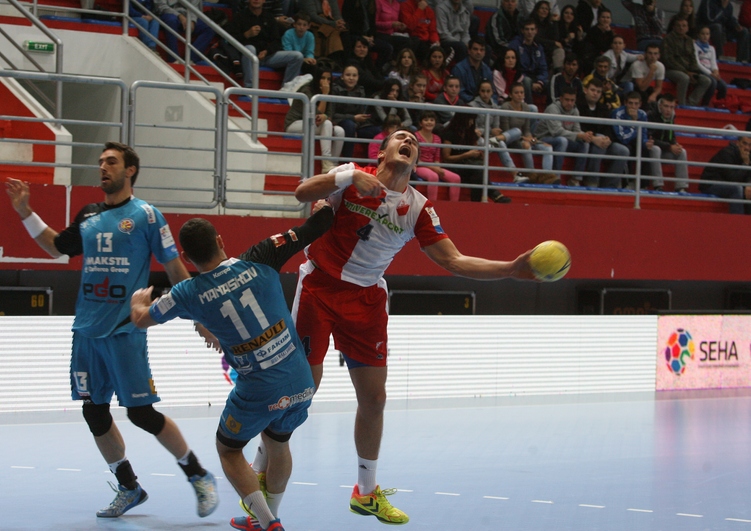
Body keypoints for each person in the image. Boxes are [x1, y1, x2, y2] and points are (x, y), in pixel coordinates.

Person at [292, 128, 533, 525]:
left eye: (414, 142)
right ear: (382, 151)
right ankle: (262, 468)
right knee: (301, 391)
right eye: (401, 137)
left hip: (366, 299)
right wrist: (347, 176)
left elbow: (454, 260)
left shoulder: (418, 208)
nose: (409, 142)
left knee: (374, 399)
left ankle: (365, 492)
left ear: (416, 160)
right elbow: (302, 192)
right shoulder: (352, 176)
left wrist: (509, 269)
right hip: (320, 286)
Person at [4, 142, 219, 519]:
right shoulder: (89, 214)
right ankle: (129, 487)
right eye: (101, 161)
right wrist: (25, 212)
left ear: (130, 170)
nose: (103, 167)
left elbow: (174, 269)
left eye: (112, 162)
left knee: (141, 414)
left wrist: (199, 317)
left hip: (124, 331)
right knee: (95, 413)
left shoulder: (146, 216)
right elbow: (56, 247)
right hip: (86, 332)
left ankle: (198, 475)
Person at [130, 205, 335, 531]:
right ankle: (268, 517)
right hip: (300, 379)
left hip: (258, 390)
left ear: (186, 257)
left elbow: (142, 319)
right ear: (220, 240)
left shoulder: (187, 293)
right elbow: (316, 226)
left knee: (228, 449)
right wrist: (325, 207)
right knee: (278, 443)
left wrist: (138, 303)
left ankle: (267, 523)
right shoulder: (262, 255)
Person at [227, 0, 304, 89]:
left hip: (266, 56)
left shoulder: (269, 17)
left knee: (298, 56)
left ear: (264, 1)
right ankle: (250, 88)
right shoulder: (240, 16)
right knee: (250, 48)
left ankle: (287, 89)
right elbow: (230, 40)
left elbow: (277, 41)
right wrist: (246, 35)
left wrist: (267, 51)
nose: (256, 0)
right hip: (248, 57)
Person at [285, 67, 345, 173]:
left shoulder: (330, 91)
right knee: (326, 124)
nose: (326, 82)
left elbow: (329, 114)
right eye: (322, 78)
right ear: (317, 78)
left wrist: (325, 116)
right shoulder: (306, 90)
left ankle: (333, 164)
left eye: (328, 79)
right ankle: (326, 162)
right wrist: (324, 94)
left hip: (314, 124)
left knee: (340, 131)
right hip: (295, 123)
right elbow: (316, 115)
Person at [576, 77, 630, 187]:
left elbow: (609, 128)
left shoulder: (603, 108)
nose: (595, 94)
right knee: (599, 143)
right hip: (584, 140)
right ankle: (591, 182)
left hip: (601, 141)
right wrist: (595, 138)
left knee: (623, 151)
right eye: (592, 90)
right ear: (585, 90)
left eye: (598, 91)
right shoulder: (577, 105)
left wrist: (608, 139)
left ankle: (610, 185)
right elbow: (578, 127)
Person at [534, 87, 592, 185]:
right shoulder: (553, 108)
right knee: (562, 140)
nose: (570, 103)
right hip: (543, 138)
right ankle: (556, 177)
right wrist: (579, 135)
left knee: (584, 143)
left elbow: (577, 130)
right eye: (567, 100)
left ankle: (575, 179)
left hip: (563, 138)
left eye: (572, 100)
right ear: (561, 99)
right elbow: (556, 131)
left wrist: (587, 136)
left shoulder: (575, 110)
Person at [469, 80, 524, 177]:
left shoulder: (495, 107)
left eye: (488, 91)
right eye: (483, 91)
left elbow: (496, 128)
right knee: (500, 143)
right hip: (478, 139)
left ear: (492, 92)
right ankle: (515, 174)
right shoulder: (472, 106)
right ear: (479, 92)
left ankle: (496, 140)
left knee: (517, 131)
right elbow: (474, 129)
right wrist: (490, 131)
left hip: (491, 138)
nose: (485, 94)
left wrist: (493, 133)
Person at [500, 82, 554, 181]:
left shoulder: (525, 107)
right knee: (526, 145)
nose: (519, 95)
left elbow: (527, 130)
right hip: (511, 139)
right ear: (510, 95)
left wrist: (531, 139)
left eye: (522, 92)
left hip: (523, 138)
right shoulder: (505, 107)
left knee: (548, 147)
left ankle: (546, 176)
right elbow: (506, 132)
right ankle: (531, 174)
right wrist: (526, 139)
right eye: (516, 93)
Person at [611, 91, 663, 190]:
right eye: (630, 103)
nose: (633, 107)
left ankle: (643, 185)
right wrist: (634, 123)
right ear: (625, 103)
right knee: (627, 149)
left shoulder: (642, 114)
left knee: (646, 149)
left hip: (634, 141)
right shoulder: (618, 113)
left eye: (636, 104)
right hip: (620, 142)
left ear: (640, 104)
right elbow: (623, 138)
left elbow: (643, 134)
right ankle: (628, 182)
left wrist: (646, 143)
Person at [660, 16, 712, 107]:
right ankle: (682, 104)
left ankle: (691, 104)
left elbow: (693, 58)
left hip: (688, 71)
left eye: (684, 26)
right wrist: (686, 72)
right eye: (679, 25)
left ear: (687, 28)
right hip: (670, 70)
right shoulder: (668, 39)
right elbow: (668, 60)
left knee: (706, 80)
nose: (681, 28)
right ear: (674, 27)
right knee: (684, 78)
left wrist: (694, 72)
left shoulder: (689, 40)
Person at [413, 110, 463, 200]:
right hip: (419, 166)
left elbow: (437, 158)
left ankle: (454, 206)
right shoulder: (415, 137)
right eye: (426, 120)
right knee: (433, 176)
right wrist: (434, 168)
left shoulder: (437, 138)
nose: (429, 122)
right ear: (420, 123)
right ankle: (432, 205)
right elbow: (416, 159)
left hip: (433, 166)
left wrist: (437, 167)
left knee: (456, 178)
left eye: (432, 120)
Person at [647, 94, 690, 193]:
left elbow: (671, 136)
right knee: (655, 149)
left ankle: (681, 186)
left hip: (664, 149)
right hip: (649, 149)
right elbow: (650, 138)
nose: (669, 110)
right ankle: (658, 185)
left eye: (671, 107)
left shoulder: (672, 116)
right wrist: (669, 146)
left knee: (682, 151)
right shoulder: (651, 115)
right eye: (666, 106)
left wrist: (675, 144)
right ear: (660, 105)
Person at [699, 135, 751, 214]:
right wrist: (745, 164)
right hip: (711, 184)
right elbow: (732, 179)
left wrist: (748, 184)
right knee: (736, 189)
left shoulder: (748, 155)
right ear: (737, 143)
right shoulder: (727, 153)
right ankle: (737, 220)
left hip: (727, 183)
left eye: (750, 145)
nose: (747, 147)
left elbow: (749, 174)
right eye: (744, 143)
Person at [331, 65, 371, 158]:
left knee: (374, 131)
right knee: (349, 125)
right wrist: (353, 118)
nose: (351, 78)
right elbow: (332, 114)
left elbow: (361, 113)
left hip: (356, 124)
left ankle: (373, 163)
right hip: (338, 122)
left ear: (358, 77)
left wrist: (356, 123)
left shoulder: (361, 90)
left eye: (354, 75)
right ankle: (347, 160)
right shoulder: (334, 89)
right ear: (342, 77)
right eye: (348, 75)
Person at [508, 19, 549, 103]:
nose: (529, 32)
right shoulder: (515, 45)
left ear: (536, 31)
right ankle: (529, 108)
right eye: (527, 29)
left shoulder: (539, 47)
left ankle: (550, 110)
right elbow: (514, 67)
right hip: (520, 77)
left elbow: (543, 68)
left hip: (536, 78)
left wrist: (540, 82)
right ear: (522, 31)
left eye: (532, 29)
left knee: (550, 83)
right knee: (527, 81)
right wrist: (531, 83)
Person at [451, 36, 494, 103]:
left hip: (484, 104)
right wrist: (477, 102)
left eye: (481, 50)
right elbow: (459, 92)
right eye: (475, 49)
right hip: (467, 105)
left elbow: (493, 92)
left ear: (484, 52)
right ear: (469, 51)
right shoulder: (458, 69)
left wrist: (490, 102)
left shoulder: (487, 70)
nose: (479, 52)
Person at [622, 43, 664, 108]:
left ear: (659, 55)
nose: (652, 56)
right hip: (629, 85)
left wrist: (654, 95)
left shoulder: (660, 66)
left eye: (655, 54)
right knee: (643, 95)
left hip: (644, 85)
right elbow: (642, 88)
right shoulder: (637, 65)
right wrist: (651, 71)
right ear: (645, 54)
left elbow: (659, 87)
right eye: (650, 53)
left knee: (660, 97)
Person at [694, 25, 728, 104]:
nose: (705, 36)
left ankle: (719, 104)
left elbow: (713, 63)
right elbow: (697, 63)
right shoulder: (694, 46)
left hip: (710, 71)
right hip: (700, 70)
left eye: (707, 34)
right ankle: (705, 104)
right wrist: (710, 74)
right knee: (713, 82)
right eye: (703, 34)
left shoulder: (711, 48)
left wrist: (716, 72)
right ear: (698, 35)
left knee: (723, 85)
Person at [530, 0, 565, 72]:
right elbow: (534, 38)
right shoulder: (531, 22)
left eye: (546, 9)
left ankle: (558, 73)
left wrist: (555, 22)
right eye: (542, 8)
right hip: (534, 48)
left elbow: (555, 38)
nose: (544, 11)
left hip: (547, 49)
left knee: (559, 51)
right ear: (537, 10)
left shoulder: (547, 24)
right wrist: (553, 43)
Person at [435, 0, 472, 64]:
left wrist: (468, 43)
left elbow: (465, 33)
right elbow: (443, 34)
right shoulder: (441, 8)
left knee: (483, 48)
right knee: (461, 46)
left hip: (460, 42)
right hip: (445, 41)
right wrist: (461, 43)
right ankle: (461, 69)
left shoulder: (465, 10)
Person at [580, 7, 614, 72]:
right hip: (590, 58)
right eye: (603, 17)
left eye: (608, 17)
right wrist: (609, 33)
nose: (605, 20)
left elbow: (612, 45)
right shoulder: (593, 31)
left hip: (602, 57)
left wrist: (609, 33)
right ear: (598, 18)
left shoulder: (609, 32)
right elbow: (604, 47)